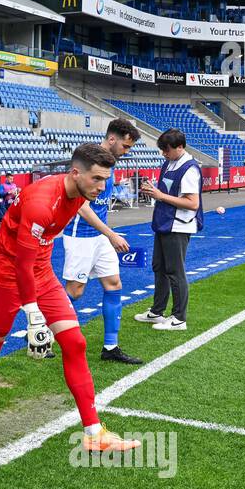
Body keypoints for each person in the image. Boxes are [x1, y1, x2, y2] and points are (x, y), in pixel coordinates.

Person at [0, 144, 139, 450]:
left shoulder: (81, 190)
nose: (103, 187)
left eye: (105, 179)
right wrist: (34, 317)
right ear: (75, 173)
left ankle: (94, 434)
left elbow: (80, 208)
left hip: (40, 272)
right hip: (6, 274)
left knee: (75, 343)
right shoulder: (41, 203)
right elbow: (21, 265)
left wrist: (108, 233)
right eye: (97, 179)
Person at [61, 118, 143, 365]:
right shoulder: (88, 160)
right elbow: (82, 208)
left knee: (114, 284)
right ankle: (40, 326)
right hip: (80, 236)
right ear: (112, 139)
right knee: (75, 291)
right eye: (125, 146)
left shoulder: (110, 164)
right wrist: (111, 234)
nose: (126, 152)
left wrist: (106, 234)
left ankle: (110, 347)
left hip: (99, 237)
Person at [135, 129, 202, 333]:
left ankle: (179, 318)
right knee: (159, 266)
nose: (164, 153)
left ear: (180, 147)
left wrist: (159, 195)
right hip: (164, 221)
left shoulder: (190, 168)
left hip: (179, 225)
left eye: (167, 150)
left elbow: (192, 203)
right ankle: (157, 310)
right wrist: (153, 191)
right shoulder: (170, 162)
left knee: (175, 270)